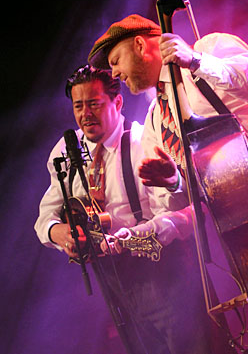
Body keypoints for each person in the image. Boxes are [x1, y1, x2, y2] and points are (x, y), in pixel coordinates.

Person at [35, 65, 235, 354]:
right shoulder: (66, 150)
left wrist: (129, 238)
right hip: (115, 282)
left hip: (167, 273)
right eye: (78, 105)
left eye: (94, 103)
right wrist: (60, 233)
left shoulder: (143, 142)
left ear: (117, 102)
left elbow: (185, 212)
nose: (85, 114)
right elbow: (45, 217)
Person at [87, 14, 248, 201]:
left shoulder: (208, 47)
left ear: (139, 45)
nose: (114, 74)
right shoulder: (154, 121)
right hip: (238, 202)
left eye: (116, 62)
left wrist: (196, 61)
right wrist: (174, 183)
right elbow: (172, 204)